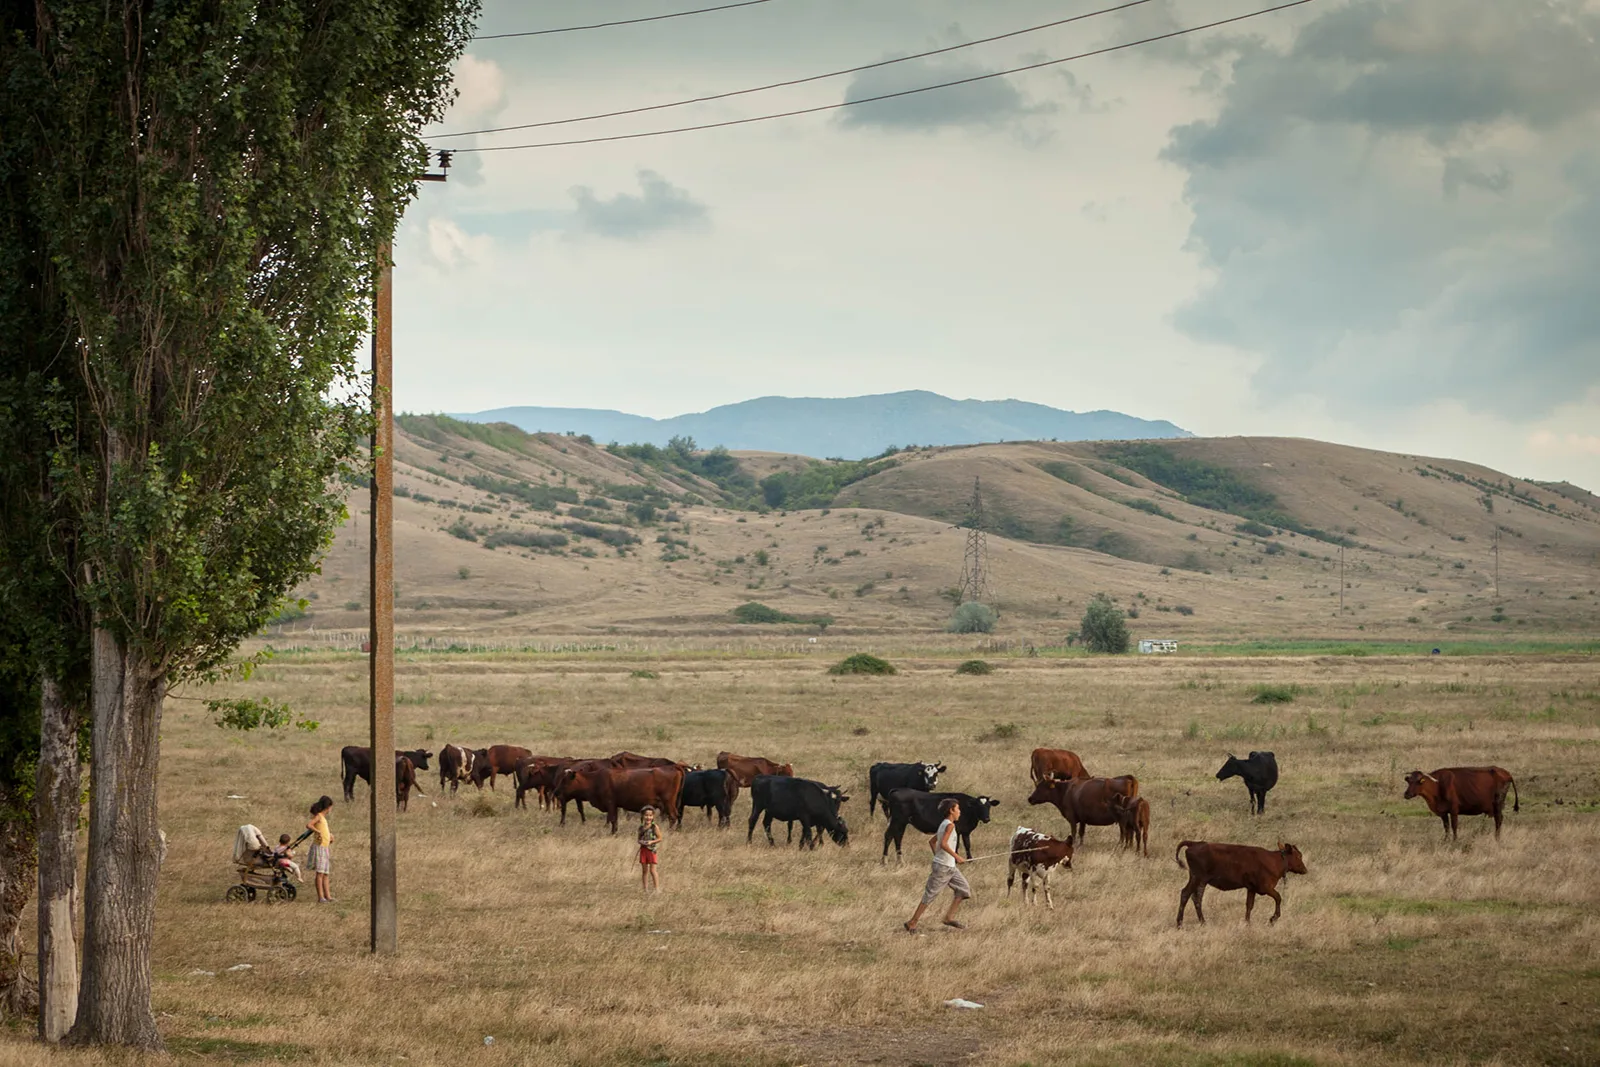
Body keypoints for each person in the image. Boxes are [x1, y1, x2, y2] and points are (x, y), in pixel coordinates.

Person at [904, 798, 970, 933]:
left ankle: (948, 917)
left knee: (964, 890)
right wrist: (957, 856)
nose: (959, 812)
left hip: (949, 867)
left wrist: (939, 856)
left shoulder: (944, 824)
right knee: (930, 895)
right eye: (957, 809)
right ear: (951, 810)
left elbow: (932, 842)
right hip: (944, 868)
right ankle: (912, 922)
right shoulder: (950, 826)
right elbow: (944, 844)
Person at [306, 795, 334, 903]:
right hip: (319, 847)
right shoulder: (319, 816)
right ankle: (321, 897)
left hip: (325, 847)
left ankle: (328, 896)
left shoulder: (323, 819)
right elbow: (309, 825)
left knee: (325, 873)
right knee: (320, 873)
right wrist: (318, 832)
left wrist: (330, 836)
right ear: (327, 807)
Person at [637, 806, 662, 892]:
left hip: (651, 850)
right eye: (646, 815)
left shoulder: (654, 827)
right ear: (643, 816)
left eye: (650, 815)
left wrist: (651, 842)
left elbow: (660, 838)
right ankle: (645, 889)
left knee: (653, 870)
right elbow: (638, 839)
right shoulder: (641, 828)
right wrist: (641, 842)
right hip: (643, 850)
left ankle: (657, 888)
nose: (648, 817)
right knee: (644, 871)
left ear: (653, 816)